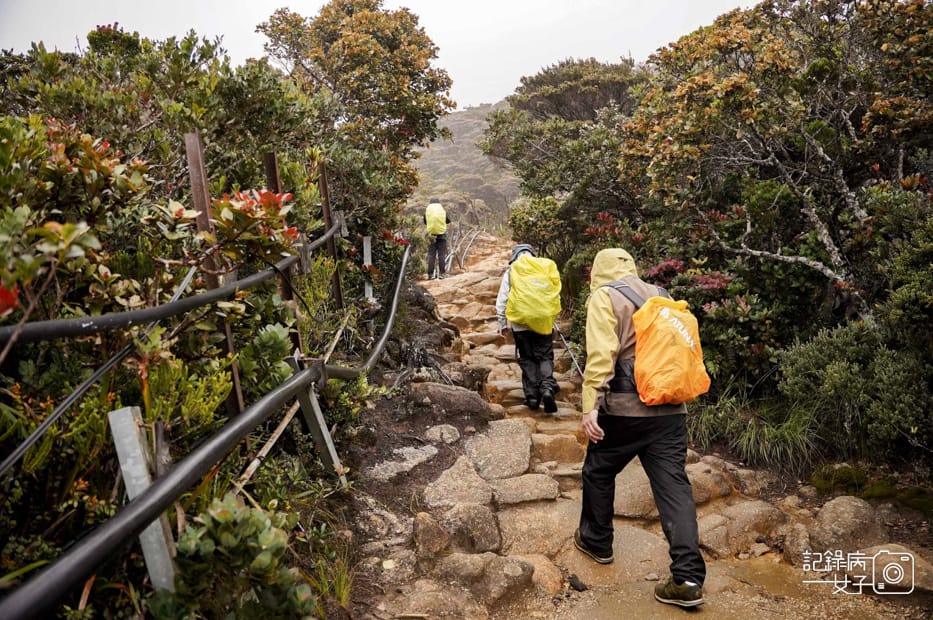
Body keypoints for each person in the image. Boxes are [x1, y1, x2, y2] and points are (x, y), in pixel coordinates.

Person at [574, 247, 706, 609]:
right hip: (670, 410)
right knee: (674, 488)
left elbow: (602, 356)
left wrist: (591, 407)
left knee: (599, 470)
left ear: (597, 272)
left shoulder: (605, 297)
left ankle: (597, 542)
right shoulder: (662, 296)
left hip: (624, 410)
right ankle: (688, 578)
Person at [495, 244, 560, 413]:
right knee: (545, 356)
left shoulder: (512, 270)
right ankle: (547, 388)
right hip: (543, 320)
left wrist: (502, 324)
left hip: (520, 322)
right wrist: (552, 317)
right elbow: (554, 295)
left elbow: (502, 299)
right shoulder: (545, 266)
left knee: (527, 357)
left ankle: (532, 397)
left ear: (514, 256)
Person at [424, 197, 450, 279]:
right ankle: (442, 274)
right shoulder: (442, 211)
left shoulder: (428, 211)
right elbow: (448, 220)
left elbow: (425, 222)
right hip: (442, 235)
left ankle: (430, 275)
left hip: (431, 235)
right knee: (441, 254)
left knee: (431, 255)